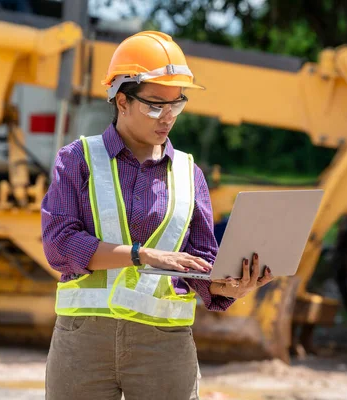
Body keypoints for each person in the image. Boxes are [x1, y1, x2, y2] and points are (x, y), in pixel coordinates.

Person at [41, 30, 274, 400]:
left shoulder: (188, 174)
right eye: (154, 105)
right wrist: (141, 255)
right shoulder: (77, 159)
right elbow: (59, 245)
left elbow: (201, 267)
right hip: (83, 344)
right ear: (122, 101)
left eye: (176, 105)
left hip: (163, 349)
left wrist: (231, 285)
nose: (167, 117)